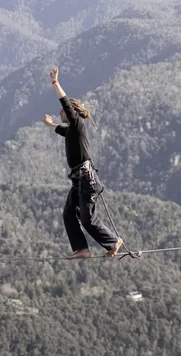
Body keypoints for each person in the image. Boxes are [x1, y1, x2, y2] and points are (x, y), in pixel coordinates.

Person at [43, 66, 122, 259]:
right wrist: (48, 124)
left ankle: (113, 241)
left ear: (71, 112)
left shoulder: (77, 124)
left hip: (87, 180)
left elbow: (65, 103)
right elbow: (58, 129)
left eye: (63, 111)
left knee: (87, 220)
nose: (61, 112)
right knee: (69, 214)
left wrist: (55, 83)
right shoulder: (70, 131)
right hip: (79, 181)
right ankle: (82, 249)